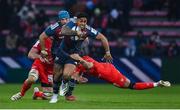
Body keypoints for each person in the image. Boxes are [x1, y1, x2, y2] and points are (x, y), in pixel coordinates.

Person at [44, 12, 113, 103]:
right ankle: (55, 96)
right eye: (81, 21)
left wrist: (107, 52)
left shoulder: (88, 30)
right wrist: (76, 33)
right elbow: (63, 31)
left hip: (74, 55)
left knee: (66, 75)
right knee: (56, 76)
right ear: (77, 21)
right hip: (62, 52)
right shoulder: (71, 23)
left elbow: (103, 38)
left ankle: (64, 84)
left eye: (85, 21)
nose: (83, 23)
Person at [70, 54, 171, 90]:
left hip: (108, 72)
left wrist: (79, 77)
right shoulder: (84, 60)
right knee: (128, 85)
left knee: (132, 85)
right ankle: (157, 84)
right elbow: (81, 75)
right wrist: (79, 77)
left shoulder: (83, 62)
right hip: (106, 67)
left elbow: (88, 66)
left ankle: (157, 83)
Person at [39, 10, 77, 101]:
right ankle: (55, 92)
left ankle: (68, 94)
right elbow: (42, 37)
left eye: (67, 19)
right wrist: (43, 50)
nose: (65, 21)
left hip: (71, 53)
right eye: (63, 19)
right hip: (57, 53)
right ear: (59, 20)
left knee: (69, 74)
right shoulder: (54, 27)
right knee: (57, 75)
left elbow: (84, 34)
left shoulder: (74, 24)